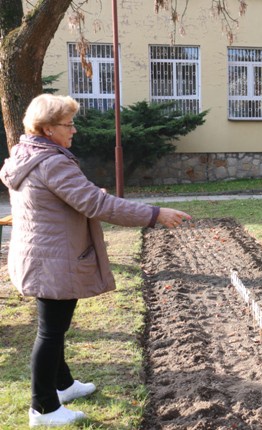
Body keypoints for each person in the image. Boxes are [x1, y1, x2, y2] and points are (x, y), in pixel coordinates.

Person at [0, 94, 192, 427]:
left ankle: (63, 385)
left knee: (55, 329)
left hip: (42, 254)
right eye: (68, 123)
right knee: (50, 333)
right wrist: (155, 214)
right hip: (54, 259)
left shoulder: (26, 154)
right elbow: (95, 206)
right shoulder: (52, 162)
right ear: (46, 128)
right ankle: (43, 408)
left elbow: (67, 199)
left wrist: (93, 195)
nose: (74, 129)